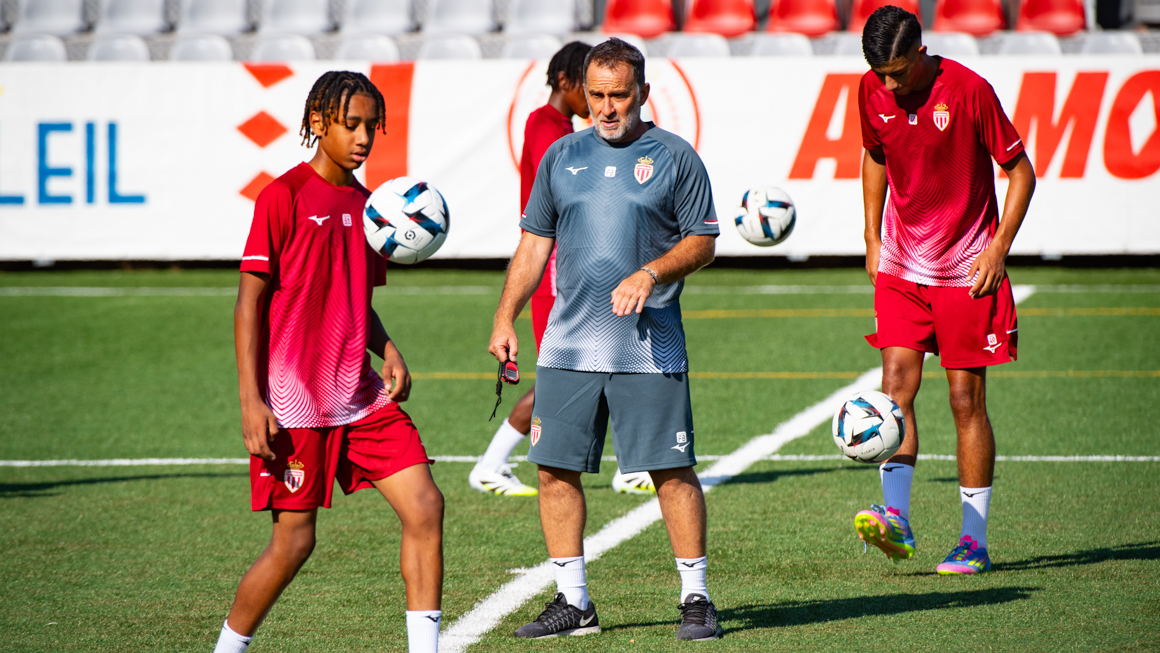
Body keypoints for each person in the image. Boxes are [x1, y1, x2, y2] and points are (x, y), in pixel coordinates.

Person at [489, 38, 723, 641]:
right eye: (597, 95)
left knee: (671, 470)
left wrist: (650, 272)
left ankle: (695, 596)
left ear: (642, 93)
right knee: (553, 469)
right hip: (569, 344)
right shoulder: (560, 156)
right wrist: (505, 316)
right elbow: (535, 243)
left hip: (650, 348)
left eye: (619, 95)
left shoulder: (676, 157)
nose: (607, 107)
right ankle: (574, 603)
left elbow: (703, 242)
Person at [213, 72, 444, 653]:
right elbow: (249, 304)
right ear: (318, 122)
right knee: (294, 543)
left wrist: (386, 347)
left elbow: (354, 300)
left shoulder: (373, 210)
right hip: (294, 402)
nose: (365, 137)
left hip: (360, 397)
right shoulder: (282, 196)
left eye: (373, 125)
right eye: (353, 124)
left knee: (425, 506)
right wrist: (251, 400)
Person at [854, 6, 1036, 575]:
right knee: (894, 389)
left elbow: (1021, 171)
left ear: (923, 53)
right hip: (904, 266)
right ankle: (896, 521)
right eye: (881, 74)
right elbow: (876, 156)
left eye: (900, 72)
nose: (890, 84)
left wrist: (999, 246)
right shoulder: (870, 90)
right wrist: (870, 234)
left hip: (966, 269)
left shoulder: (969, 89)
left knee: (965, 400)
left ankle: (973, 541)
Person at [470, 41, 658, 498]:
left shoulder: (557, 126)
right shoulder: (549, 129)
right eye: (591, 92)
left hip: (569, 262)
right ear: (569, 83)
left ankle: (631, 465)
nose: (600, 106)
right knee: (568, 375)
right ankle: (492, 463)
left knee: (606, 362)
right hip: (558, 267)